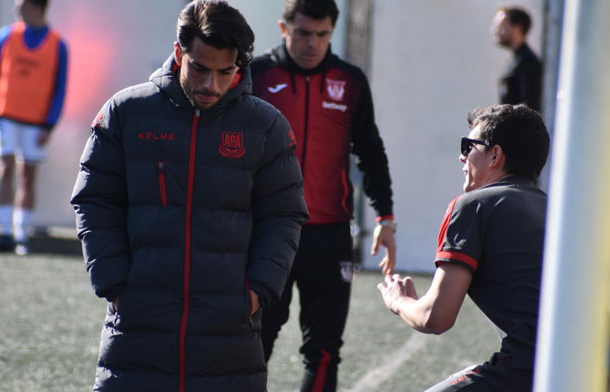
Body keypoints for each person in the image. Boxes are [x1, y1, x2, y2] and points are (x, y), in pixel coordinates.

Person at [70, 1, 309, 391]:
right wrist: (113, 282)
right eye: (200, 68)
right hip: (138, 325)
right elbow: (94, 198)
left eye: (224, 72)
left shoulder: (265, 126)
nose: (210, 85)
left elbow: (284, 213)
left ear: (239, 67)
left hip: (229, 330)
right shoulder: (126, 112)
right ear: (179, 52)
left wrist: (258, 290)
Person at [249, 0, 395, 390]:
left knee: (325, 350)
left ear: (332, 31)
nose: (312, 43)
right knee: (250, 344)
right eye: (302, 33)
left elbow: (370, 149)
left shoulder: (350, 80)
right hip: (267, 233)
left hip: (329, 235)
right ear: (284, 28)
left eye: (322, 34)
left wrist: (385, 216)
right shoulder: (256, 75)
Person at [377, 104, 550, 391]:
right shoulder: (557, 210)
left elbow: (436, 318)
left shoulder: (473, 206)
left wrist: (399, 301)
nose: (462, 155)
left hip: (529, 369)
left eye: (469, 146)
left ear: (495, 155)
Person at [0, 0, 68, 255]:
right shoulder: (7, 35)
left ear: (37, 8)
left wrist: (49, 125)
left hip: (36, 122)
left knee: (28, 175)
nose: (17, 9)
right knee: (5, 167)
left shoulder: (58, 44)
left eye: (22, 5)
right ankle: (5, 232)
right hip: (5, 115)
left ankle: (21, 235)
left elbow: (60, 88)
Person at [492, 6, 543, 112]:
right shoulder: (517, 60)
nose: (495, 31)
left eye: (501, 26)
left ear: (517, 28)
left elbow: (529, 106)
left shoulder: (527, 62)